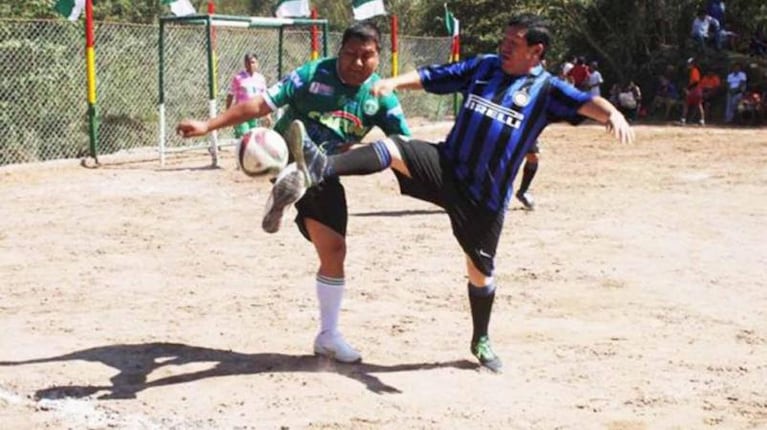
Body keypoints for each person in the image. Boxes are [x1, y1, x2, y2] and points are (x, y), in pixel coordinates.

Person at [263, 14, 634, 372]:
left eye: (513, 43)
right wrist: (393, 83)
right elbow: (434, 76)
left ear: (536, 52)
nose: (503, 47)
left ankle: (481, 339)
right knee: (395, 147)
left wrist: (612, 114)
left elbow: (587, 102)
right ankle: (317, 167)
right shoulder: (484, 67)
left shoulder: (547, 90)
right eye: (503, 39)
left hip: (484, 197)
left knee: (480, 273)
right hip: (447, 166)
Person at [177, 22, 411, 364]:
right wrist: (208, 125)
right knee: (301, 171)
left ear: (379, 57)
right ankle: (288, 180)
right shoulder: (312, 74)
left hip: (328, 170)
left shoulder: (381, 96)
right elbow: (261, 104)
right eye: (350, 54)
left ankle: (327, 335)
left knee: (334, 250)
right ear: (339, 51)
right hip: (285, 151)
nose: (357, 63)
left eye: (367, 56)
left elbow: (403, 145)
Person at [225, 53, 271, 137]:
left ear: (257, 64)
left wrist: (267, 114)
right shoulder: (238, 78)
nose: (250, 65)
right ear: (245, 64)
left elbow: (265, 97)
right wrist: (227, 112)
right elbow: (230, 95)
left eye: (253, 62)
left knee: (253, 137)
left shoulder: (260, 79)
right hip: (241, 113)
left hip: (254, 113)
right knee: (244, 136)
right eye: (248, 62)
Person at [680, 57, 704, 125]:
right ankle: (701, 120)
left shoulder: (694, 70)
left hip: (695, 90)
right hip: (696, 90)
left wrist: (688, 89)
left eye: (689, 64)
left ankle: (683, 119)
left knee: (686, 105)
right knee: (699, 105)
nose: (688, 65)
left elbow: (696, 82)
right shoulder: (692, 71)